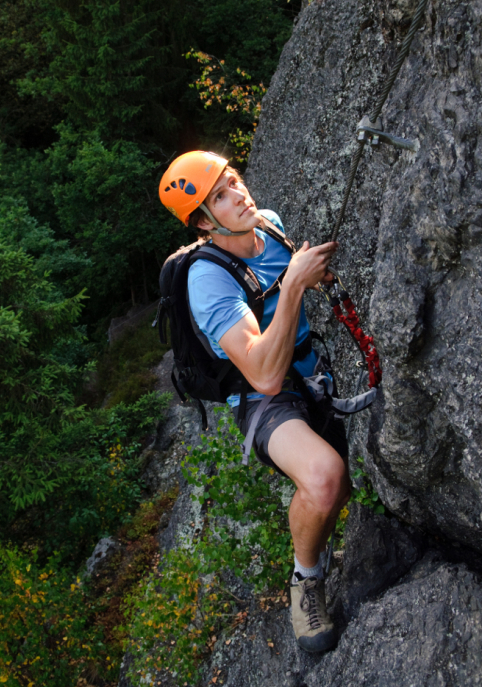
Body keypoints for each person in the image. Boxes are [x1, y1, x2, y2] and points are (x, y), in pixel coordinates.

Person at [159, 150, 351, 653]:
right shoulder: (207, 279)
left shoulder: (270, 226)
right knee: (324, 476)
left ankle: (323, 535)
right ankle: (306, 579)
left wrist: (310, 278)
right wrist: (292, 286)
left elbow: (287, 291)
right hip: (264, 397)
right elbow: (264, 374)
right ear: (203, 221)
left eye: (234, 182)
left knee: (342, 486)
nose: (238, 195)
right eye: (219, 196)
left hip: (312, 371)